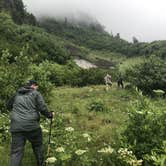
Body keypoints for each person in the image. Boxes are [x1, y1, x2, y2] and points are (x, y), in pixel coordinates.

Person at [7, 80, 53, 166]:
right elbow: (42, 107)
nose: (36, 88)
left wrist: (17, 113)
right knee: (38, 147)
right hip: (32, 126)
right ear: (33, 85)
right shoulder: (36, 93)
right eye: (36, 87)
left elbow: (8, 105)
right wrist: (50, 115)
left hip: (16, 126)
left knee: (16, 152)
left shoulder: (16, 94)